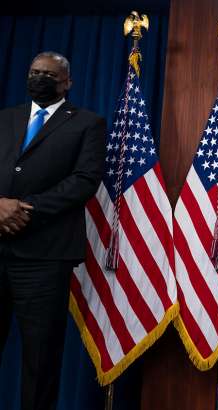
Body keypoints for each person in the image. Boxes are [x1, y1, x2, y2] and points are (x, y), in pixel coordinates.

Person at [0, 51, 106, 410]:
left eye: (48, 74)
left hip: (44, 258)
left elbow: (84, 181)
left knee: (40, 359)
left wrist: (23, 209)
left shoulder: (88, 123)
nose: (39, 78)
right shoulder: (5, 118)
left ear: (67, 82)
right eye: (34, 72)